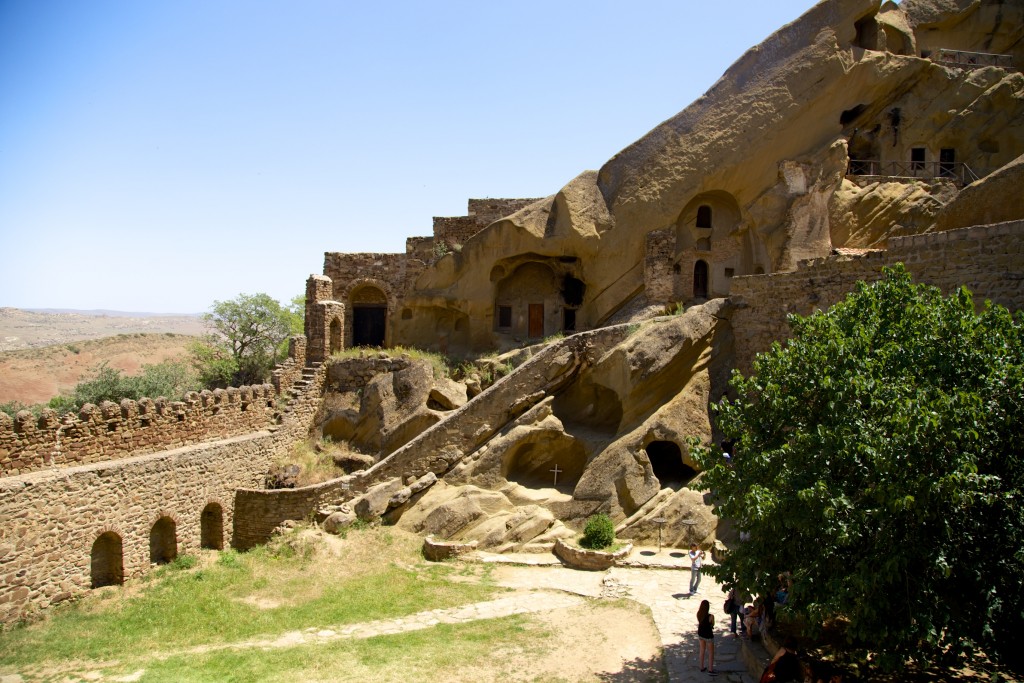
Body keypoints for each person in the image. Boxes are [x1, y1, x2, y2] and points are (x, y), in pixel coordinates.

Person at [696, 599, 717, 675]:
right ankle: (710, 669)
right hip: (708, 635)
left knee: (702, 650)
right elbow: (712, 624)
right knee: (711, 652)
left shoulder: (698, 614)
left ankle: (701, 667)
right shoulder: (711, 616)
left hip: (701, 634)